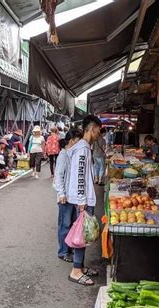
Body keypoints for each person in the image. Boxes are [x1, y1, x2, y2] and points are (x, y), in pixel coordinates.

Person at [66, 115, 102, 286]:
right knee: (82, 234)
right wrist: (81, 201)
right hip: (83, 200)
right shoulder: (82, 149)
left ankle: (80, 266)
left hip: (85, 198)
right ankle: (76, 271)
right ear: (92, 128)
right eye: (98, 131)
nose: (98, 134)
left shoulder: (84, 147)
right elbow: (80, 176)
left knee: (84, 234)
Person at [54, 128, 83, 263]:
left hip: (73, 196)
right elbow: (58, 176)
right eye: (77, 141)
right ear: (71, 141)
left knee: (71, 224)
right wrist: (61, 193)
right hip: (65, 197)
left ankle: (68, 248)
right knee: (64, 225)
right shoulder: (63, 155)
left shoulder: (72, 153)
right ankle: (63, 251)